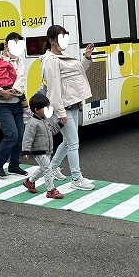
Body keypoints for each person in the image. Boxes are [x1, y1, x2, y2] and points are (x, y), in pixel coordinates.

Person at [42, 24, 96, 191]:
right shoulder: (50, 60)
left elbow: (79, 72)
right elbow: (54, 89)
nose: (63, 41)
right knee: (73, 143)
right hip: (63, 107)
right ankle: (76, 178)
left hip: (73, 105)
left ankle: (51, 169)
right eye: (60, 38)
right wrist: (60, 112)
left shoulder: (62, 55)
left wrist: (86, 57)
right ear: (51, 40)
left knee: (68, 141)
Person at [0, 36, 28, 178]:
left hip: (16, 102)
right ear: (5, 45)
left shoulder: (19, 60)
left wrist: (13, 91)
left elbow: (20, 77)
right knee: (12, 134)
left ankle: (14, 165)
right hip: (1, 104)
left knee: (20, 135)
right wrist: (1, 92)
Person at [21, 92, 63, 199]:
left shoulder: (46, 120)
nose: (48, 109)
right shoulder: (32, 123)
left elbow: (52, 131)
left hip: (47, 150)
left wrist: (60, 124)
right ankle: (51, 190)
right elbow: (27, 138)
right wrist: (25, 150)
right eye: (45, 108)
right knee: (48, 169)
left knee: (43, 168)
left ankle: (29, 182)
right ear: (36, 110)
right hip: (38, 151)